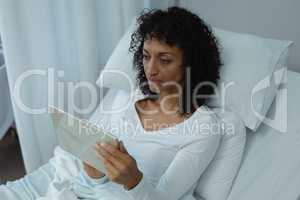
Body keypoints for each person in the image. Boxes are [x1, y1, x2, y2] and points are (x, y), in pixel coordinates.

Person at [0, 6, 246, 200]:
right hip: (77, 185)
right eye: (146, 56)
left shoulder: (204, 128)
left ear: (191, 64)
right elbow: (90, 170)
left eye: (165, 59)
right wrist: (93, 172)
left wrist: (133, 180)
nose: (151, 69)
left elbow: (164, 197)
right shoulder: (129, 97)